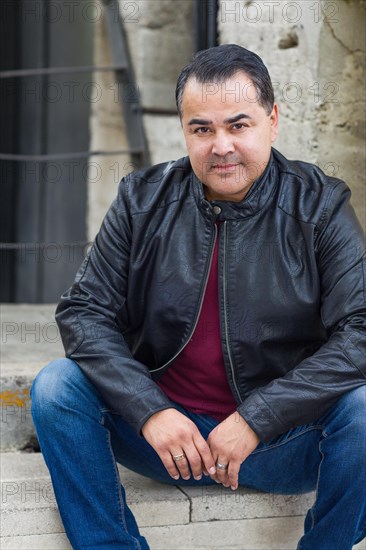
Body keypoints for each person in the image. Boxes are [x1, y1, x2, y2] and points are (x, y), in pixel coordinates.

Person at [31, 44, 365, 550]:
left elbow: (360, 332)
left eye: (239, 125)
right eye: (202, 129)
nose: (221, 146)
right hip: (167, 441)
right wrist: (151, 410)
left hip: (278, 445)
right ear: (183, 130)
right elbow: (84, 311)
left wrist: (259, 418)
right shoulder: (141, 200)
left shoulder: (320, 205)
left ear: (273, 120)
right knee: (57, 387)